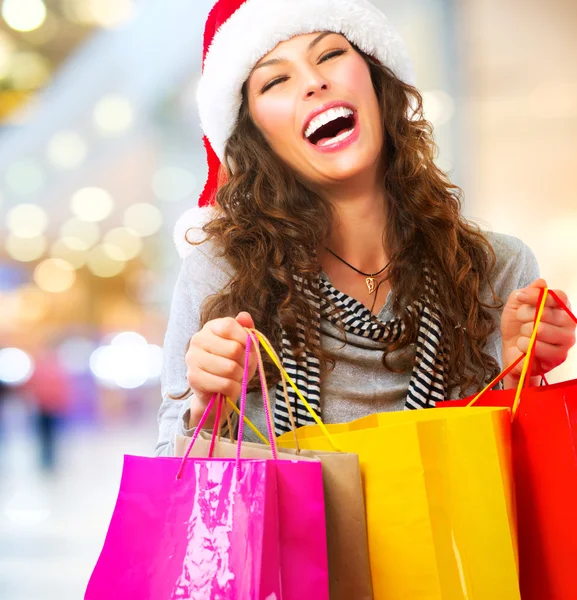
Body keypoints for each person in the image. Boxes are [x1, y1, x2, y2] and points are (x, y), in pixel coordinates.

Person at [156, 0, 576, 456]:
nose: (315, 82)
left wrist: (519, 377)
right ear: (257, 137)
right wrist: (207, 406)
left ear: (377, 81)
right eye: (276, 80)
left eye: (331, 55)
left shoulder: (496, 269)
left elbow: (524, 491)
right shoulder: (220, 272)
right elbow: (170, 473)